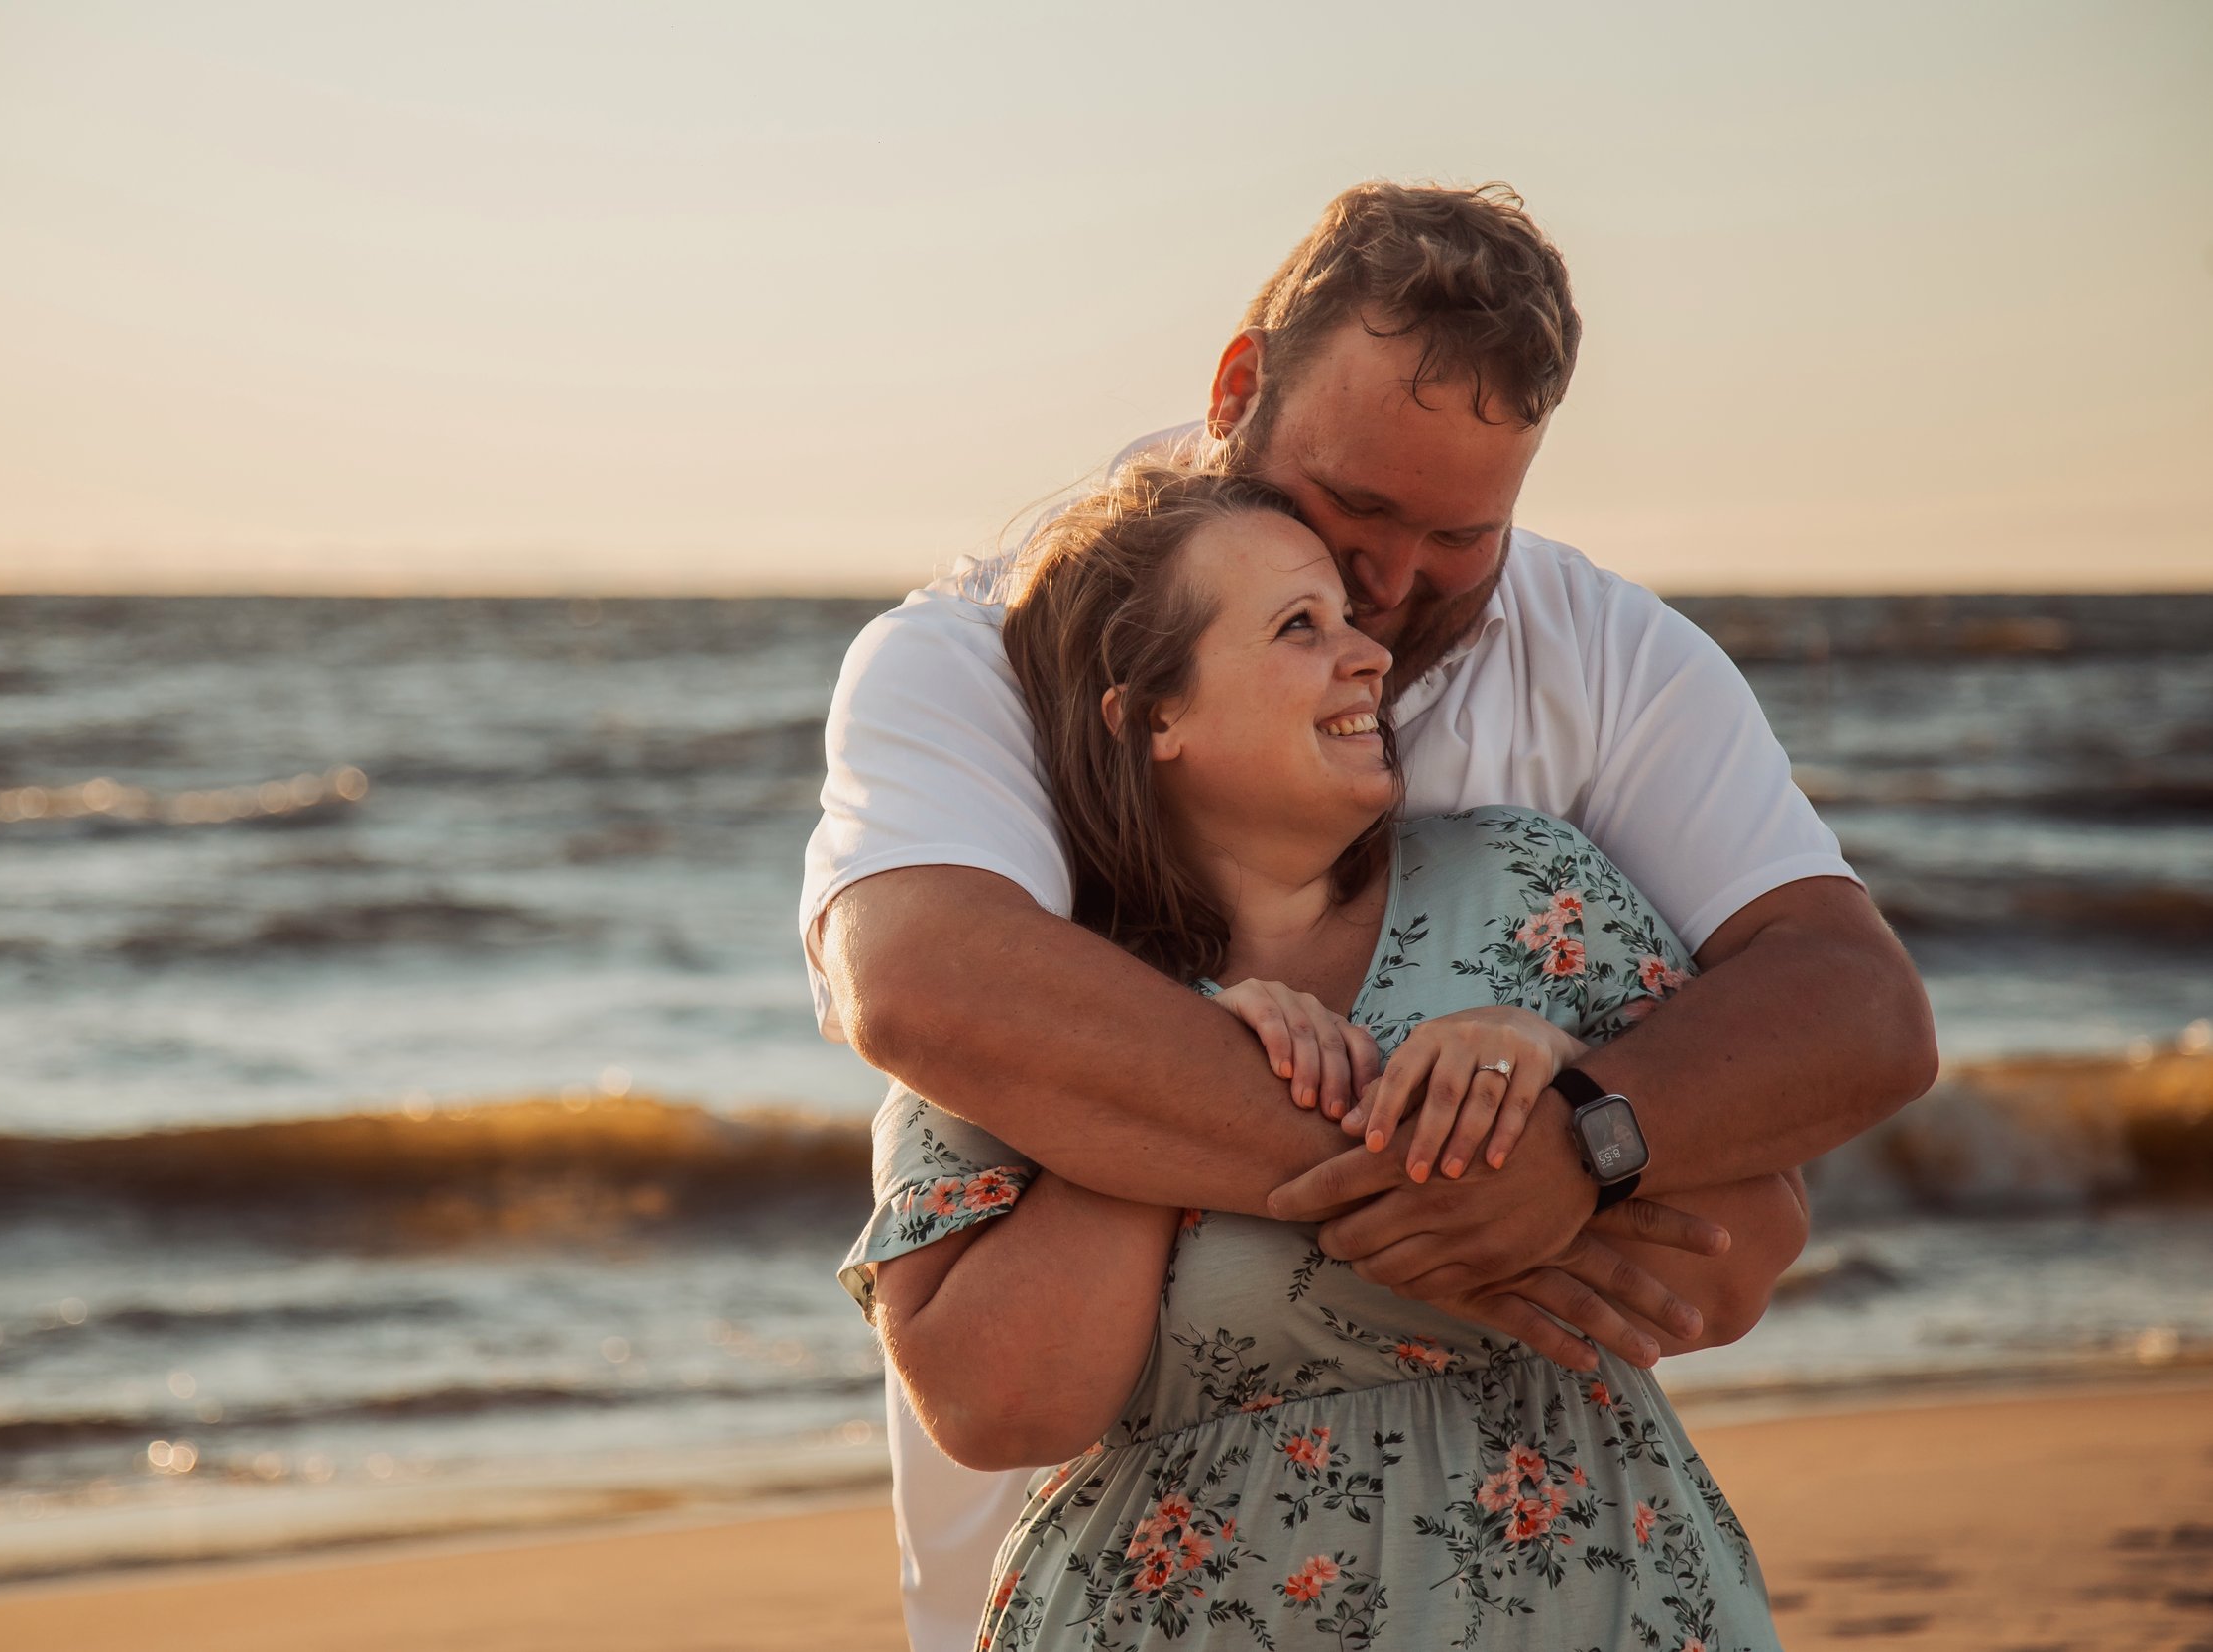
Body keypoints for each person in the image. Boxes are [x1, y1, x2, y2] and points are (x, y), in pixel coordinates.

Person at [804, 181, 1936, 1651]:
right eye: (1359, 511)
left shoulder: (1602, 665)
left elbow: (1851, 1011)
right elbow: (931, 984)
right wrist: (1468, 1181)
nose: (1388, 594)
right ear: (1237, 390)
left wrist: (1584, 1135)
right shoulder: (979, 647)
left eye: (1463, 533)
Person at [851, 459, 1804, 1648]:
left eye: (1350, 621)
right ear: (1154, 715)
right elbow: (1002, 1405)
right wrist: (1176, 1058)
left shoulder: (1528, 887)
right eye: (1300, 627)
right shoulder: (1036, 994)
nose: (1368, 655)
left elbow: (1738, 1264)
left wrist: (1558, 1069)